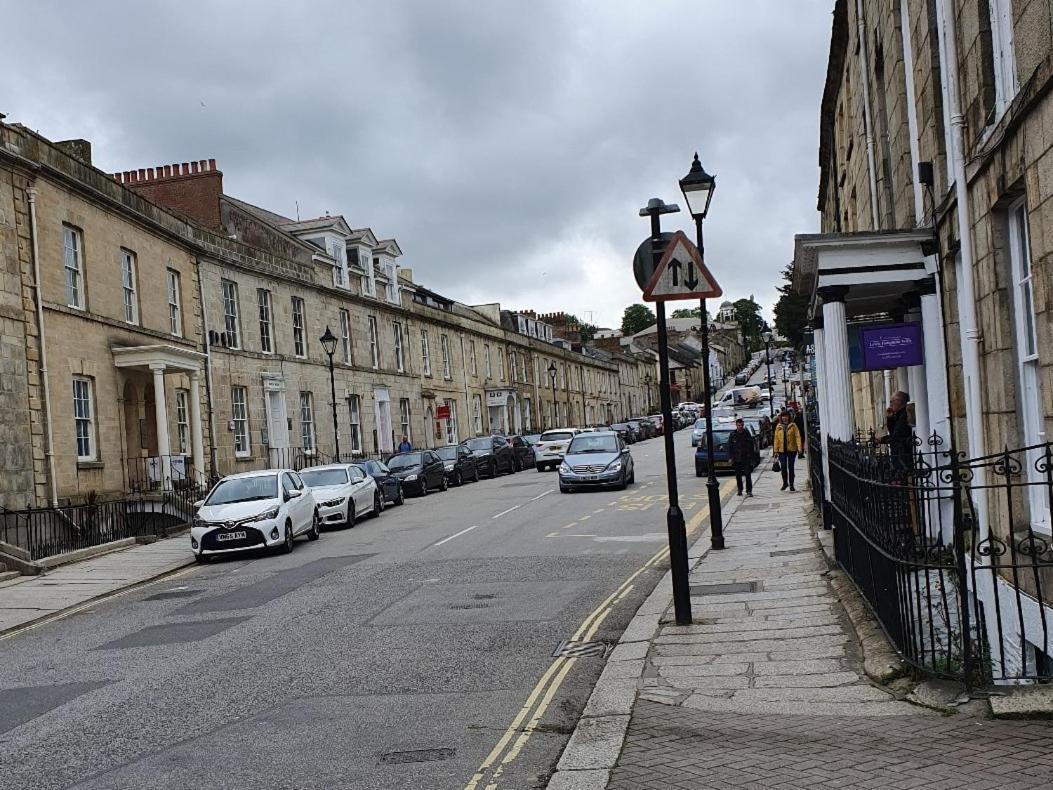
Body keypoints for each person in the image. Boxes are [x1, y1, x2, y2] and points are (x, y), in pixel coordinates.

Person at [879, 390, 914, 473]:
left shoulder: (904, 415)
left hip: (904, 454)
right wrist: (890, 418)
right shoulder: (898, 414)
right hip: (898, 453)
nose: (890, 404)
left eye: (892, 401)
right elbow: (892, 431)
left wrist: (881, 440)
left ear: (899, 401)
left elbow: (897, 435)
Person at [772, 410, 803, 492]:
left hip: (792, 450)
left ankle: (792, 484)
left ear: (789, 417)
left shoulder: (793, 426)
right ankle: (785, 483)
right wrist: (775, 451)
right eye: (783, 416)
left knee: (791, 467)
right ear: (781, 417)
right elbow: (776, 439)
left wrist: (799, 448)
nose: (784, 418)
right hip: (781, 451)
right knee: (783, 467)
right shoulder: (778, 426)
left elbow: (798, 436)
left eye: (786, 416)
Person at [729, 418, 754, 497]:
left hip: (746, 458)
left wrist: (751, 457)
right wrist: (730, 457)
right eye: (738, 425)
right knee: (738, 475)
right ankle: (740, 489)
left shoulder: (746, 434)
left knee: (747, 474)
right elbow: (730, 447)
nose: (740, 427)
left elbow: (751, 446)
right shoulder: (733, 434)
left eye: (741, 425)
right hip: (737, 458)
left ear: (743, 425)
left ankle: (749, 490)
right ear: (736, 425)